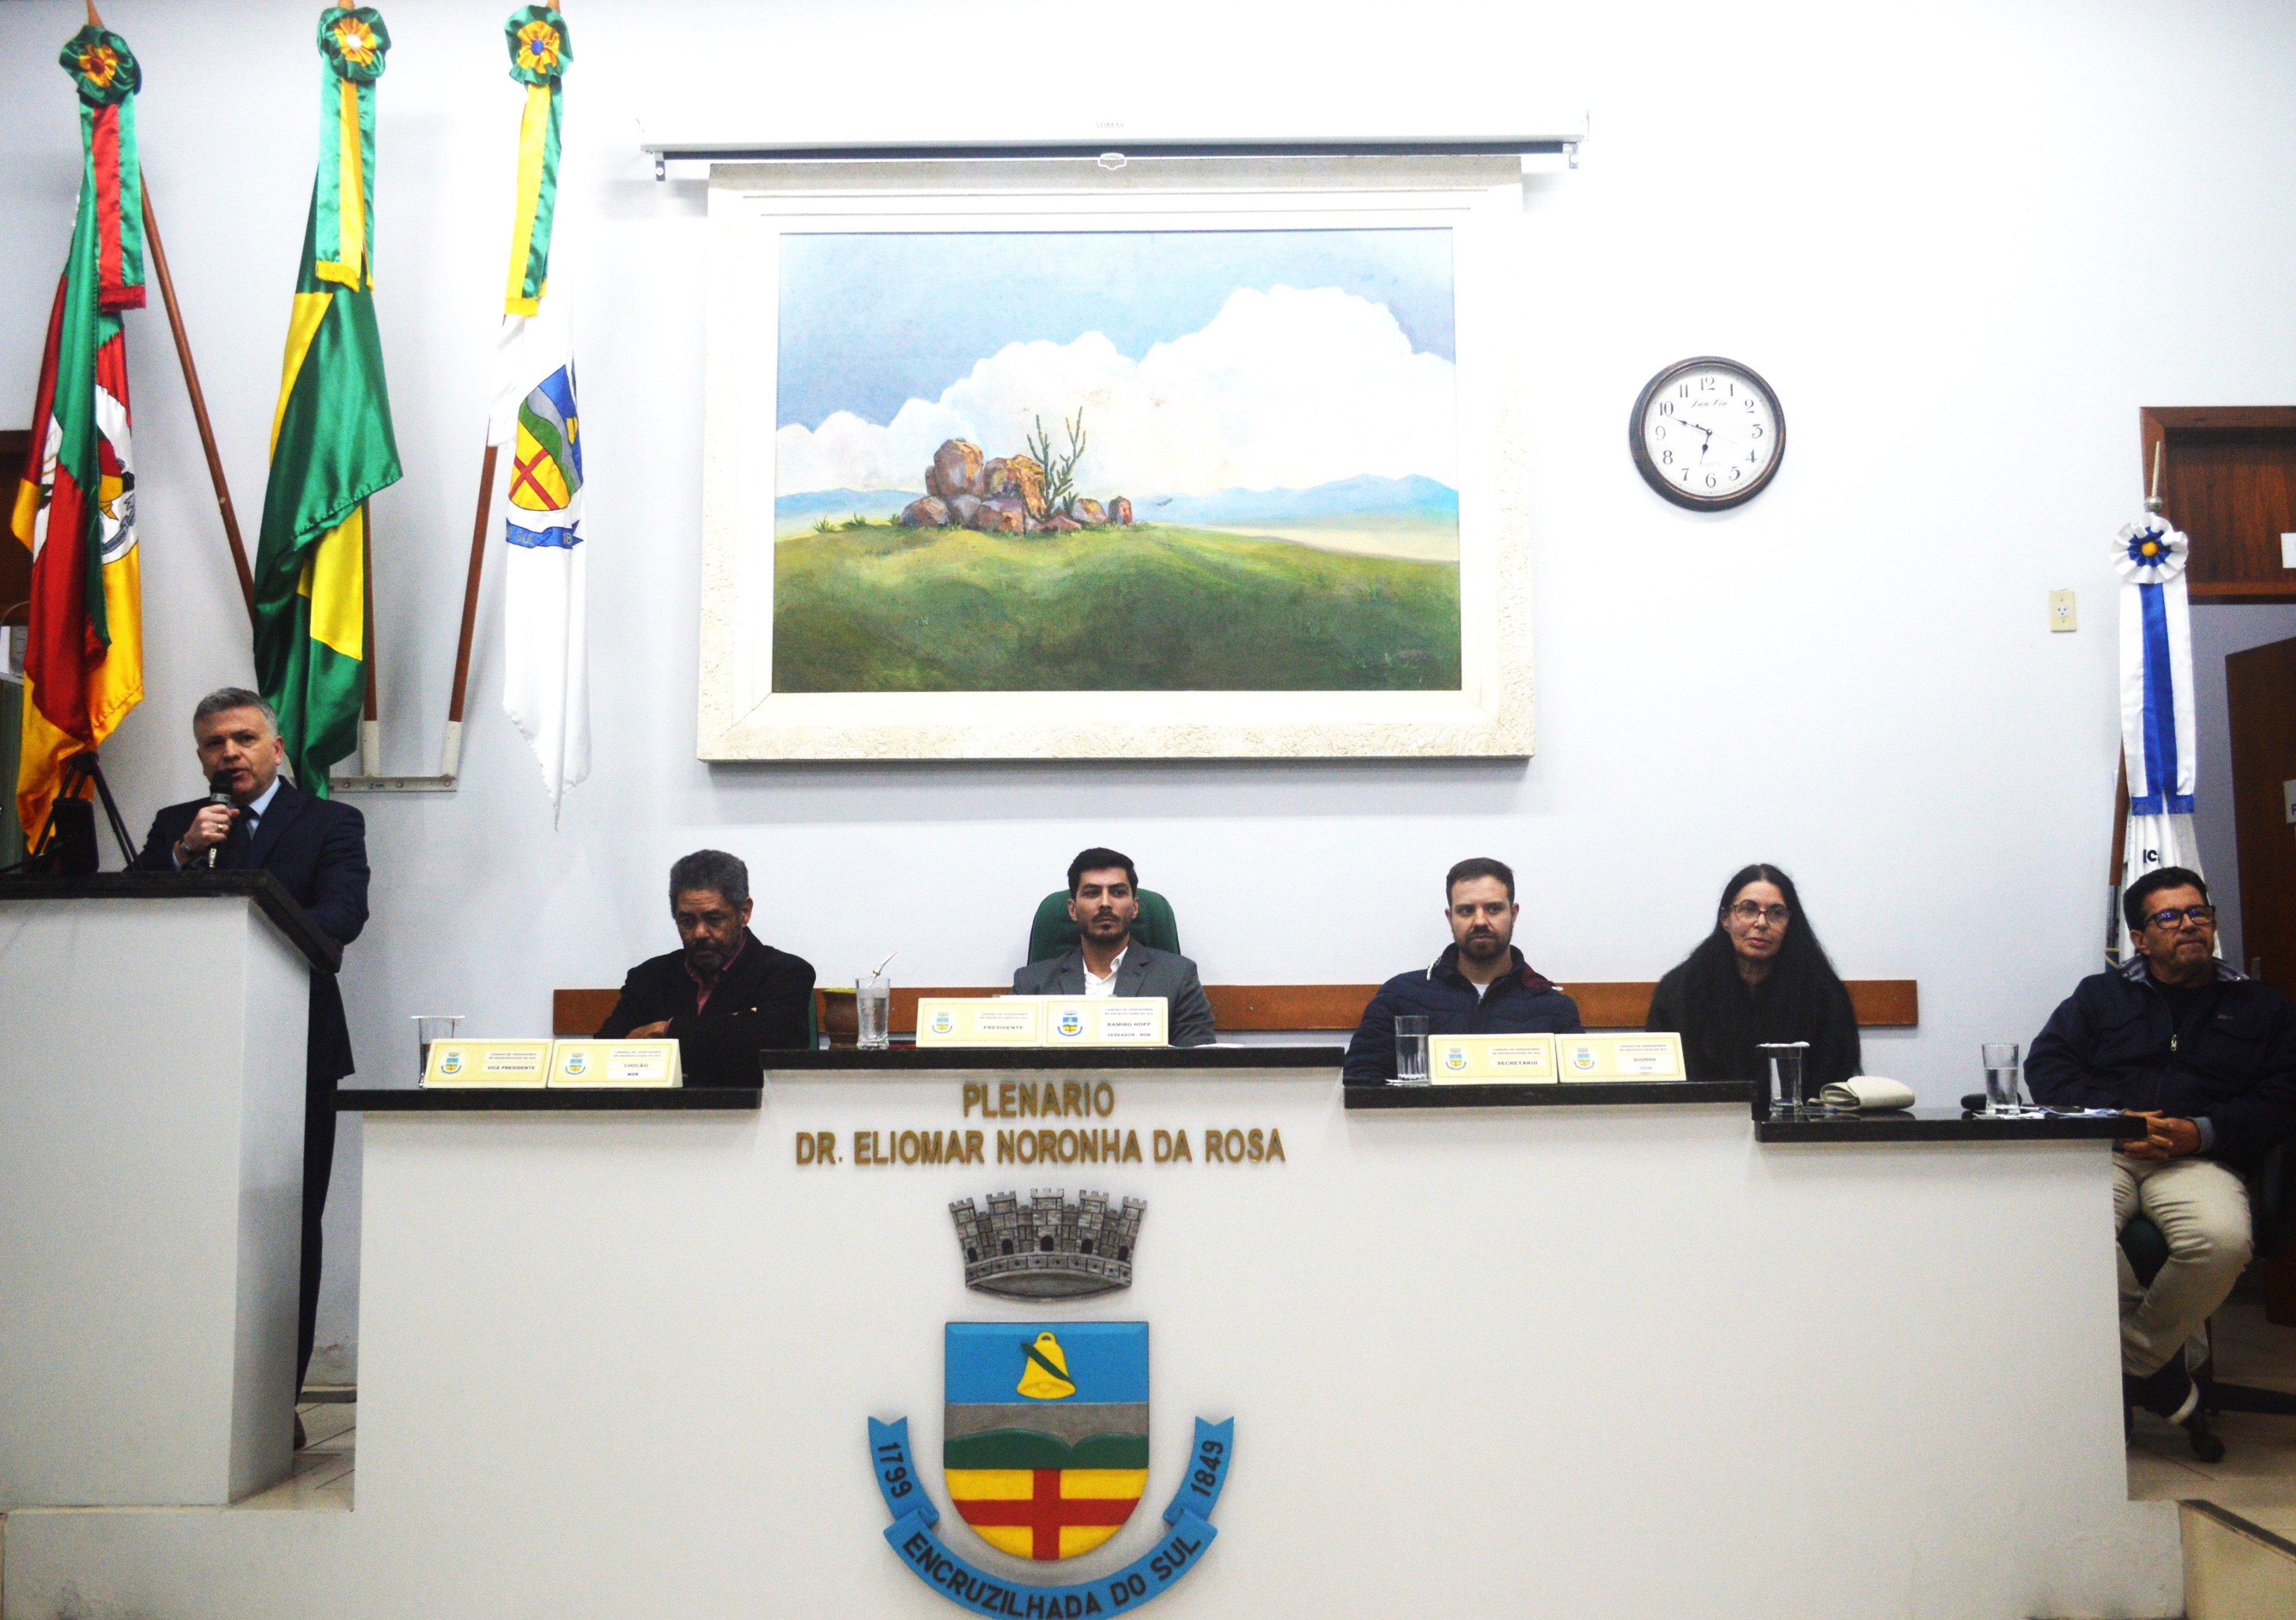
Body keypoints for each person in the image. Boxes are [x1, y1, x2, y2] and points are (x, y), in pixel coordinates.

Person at [135, 687, 370, 1440]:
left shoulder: (331, 822)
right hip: (190, 1055)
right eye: (214, 743)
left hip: (295, 1051)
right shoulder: (179, 825)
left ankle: (273, 1403)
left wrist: (255, 928)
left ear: (276, 748)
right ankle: (186, 1393)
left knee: (287, 1228)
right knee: (187, 1222)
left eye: (243, 738)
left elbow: (343, 915)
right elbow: (134, 912)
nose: (229, 753)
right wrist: (181, 854)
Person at [2027, 866, 2296, 1426]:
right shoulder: (2099, 996)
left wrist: (2202, 1130)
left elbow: (2284, 1096)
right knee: (2061, 1235)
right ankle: (2164, 1370)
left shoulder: (2262, 1007)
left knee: (2221, 1241)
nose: (2189, 925)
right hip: (2110, 1151)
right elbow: (2048, 1067)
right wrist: (2115, 1120)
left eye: (2199, 913)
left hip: (2200, 1158)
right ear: (2141, 939)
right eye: (2169, 917)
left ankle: (2132, 1366)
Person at [1342, 857, 1583, 1082]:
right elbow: (1360, 1080)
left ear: (1513, 913)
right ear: (1450, 917)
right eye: (1466, 911)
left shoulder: (1553, 1007)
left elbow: (1579, 1091)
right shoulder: (1400, 996)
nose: (1480, 921)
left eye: (1493, 909)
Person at [596, 850, 816, 1083]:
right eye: (687, 921)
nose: (699, 933)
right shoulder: (649, 978)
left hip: (751, 1106)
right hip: (662, 1107)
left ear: (744, 912)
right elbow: (604, 1054)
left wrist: (666, 1030)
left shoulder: (786, 973)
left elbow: (772, 1042)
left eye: (714, 919)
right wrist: (732, 1027)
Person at [1645, 863, 1861, 1088]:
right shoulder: (1681, 990)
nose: (1761, 923)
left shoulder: (1823, 994)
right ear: (1726, 918)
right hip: (1705, 1110)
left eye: (1776, 913)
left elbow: (1832, 1086)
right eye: (1748, 910)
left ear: (1790, 923)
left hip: (1796, 1110)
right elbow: (1661, 1083)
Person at [1010, 847, 1216, 1047]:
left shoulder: (1178, 977)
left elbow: (1198, 1063)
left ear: (1135, 908)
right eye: (1092, 893)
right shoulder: (1031, 983)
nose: (1105, 903)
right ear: (1073, 910)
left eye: (1118, 892)